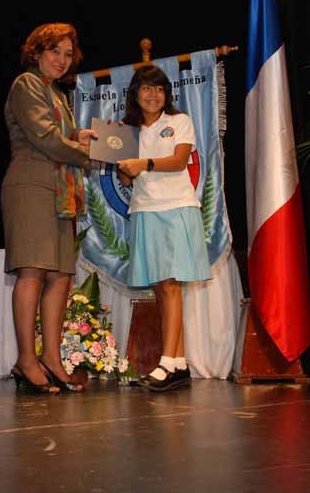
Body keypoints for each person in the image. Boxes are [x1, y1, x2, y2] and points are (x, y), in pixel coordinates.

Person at [1, 22, 97, 393]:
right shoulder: (26, 84)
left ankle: (52, 359)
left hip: (60, 190)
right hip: (31, 187)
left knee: (60, 276)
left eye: (68, 54)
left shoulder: (56, 92)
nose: (61, 59)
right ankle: (26, 360)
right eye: (54, 51)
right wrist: (87, 152)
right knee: (33, 272)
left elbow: (59, 137)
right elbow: (44, 137)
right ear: (37, 52)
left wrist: (77, 136)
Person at [117, 64, 211, 392]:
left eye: (159, 89)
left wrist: (143, 163)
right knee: (160, 287)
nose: (153, 94)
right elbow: (125, 179)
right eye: (146, 88)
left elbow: (179, 161)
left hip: (176, 209)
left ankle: (166, 362)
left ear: (166, 94)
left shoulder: (179, 121)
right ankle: (179, 363)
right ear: (135, 94)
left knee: (171, 285)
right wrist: (121, 163)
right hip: (144, 210)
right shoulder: (127, 131)